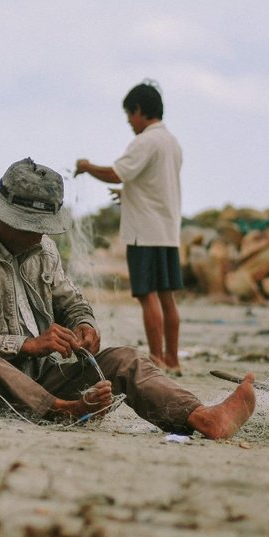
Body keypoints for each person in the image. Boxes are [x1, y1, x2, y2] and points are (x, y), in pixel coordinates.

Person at [0, 158, 254, 440]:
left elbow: (71, 300)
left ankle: (201, 418)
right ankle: (62, 410)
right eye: (30, 227)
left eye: (44, 228)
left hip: (42, 380)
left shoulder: (41, 249)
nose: (39, 236)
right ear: (4, 216)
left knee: (125, 359)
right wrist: (27, 345)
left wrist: (84, 324)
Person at [75, 82, 184, 375]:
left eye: (129, 115)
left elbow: (115, 173)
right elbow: (154, 185)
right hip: (168, 230)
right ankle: (173, 358)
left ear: (139, 110)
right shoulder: (172, 142)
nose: (129, 122)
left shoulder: (145, 142)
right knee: (166, 296)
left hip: (144, 231)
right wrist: (128, 194)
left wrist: (86, 166)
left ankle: (158, 359)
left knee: (147, 295)